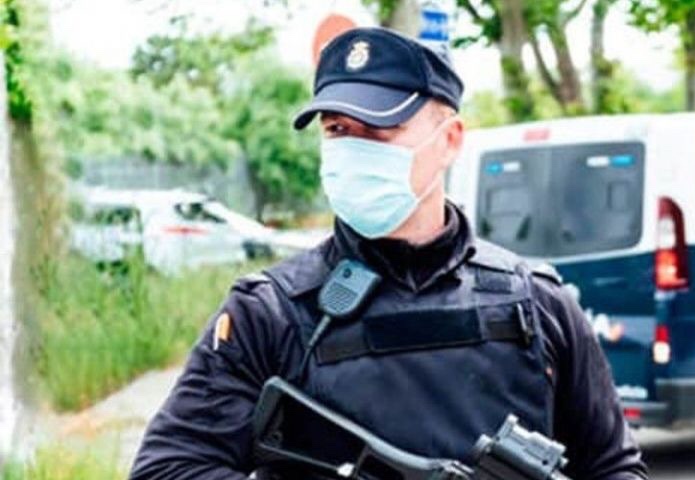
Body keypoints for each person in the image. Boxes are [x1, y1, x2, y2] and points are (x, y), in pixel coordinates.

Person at [130, 27, 648, 480]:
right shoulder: (268, 313)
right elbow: (167, 467)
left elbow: (613, 467)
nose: (353, 148)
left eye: (379, 128)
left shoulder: (537, 304)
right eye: (337, 130)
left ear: (449, 140)